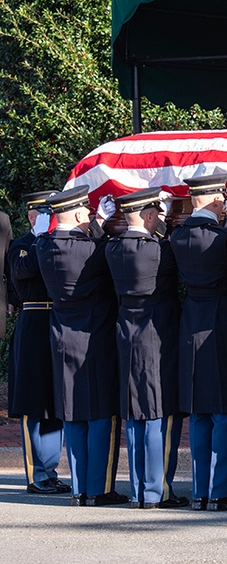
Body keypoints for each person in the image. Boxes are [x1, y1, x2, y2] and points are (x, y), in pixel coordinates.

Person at [35, 186, 127, 506]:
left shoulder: (43, 247)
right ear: (77, 214)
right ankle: (98, 489)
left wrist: (96, 222)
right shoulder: (90, 250)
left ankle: (78, 489)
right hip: (95, 339)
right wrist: (101, 224)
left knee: (73, 414)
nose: (90, 217)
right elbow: (110, 252)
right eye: (86, 213)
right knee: (101, 414)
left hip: (62, 338)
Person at [170, 174, 227, 512]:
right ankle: (220, 491)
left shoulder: (176, 237)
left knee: (199, 414)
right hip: (221, 329)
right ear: (216, 200)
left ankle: (201, 490)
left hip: (191, 326)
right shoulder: (224, 239)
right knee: (223, 415)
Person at [105, 187, 187, 509]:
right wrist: (171, 221)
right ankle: (156, 491)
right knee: (158, 413)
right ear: (151, 215)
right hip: (156, 334)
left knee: (135, 412)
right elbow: (181, 248)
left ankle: (139, 489)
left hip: (126, 332)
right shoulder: (160, 251)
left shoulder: (112, 249)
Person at [7, 190, 71, 495]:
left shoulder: (54, 242)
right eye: (45, 212)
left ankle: (51, 469)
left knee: (54, 400)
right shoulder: (21, 245)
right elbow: (24, 270)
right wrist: (40, 237)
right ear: (33, 215)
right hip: (33, 325)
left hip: (58, 323)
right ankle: (36, 475)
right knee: (34, 402)